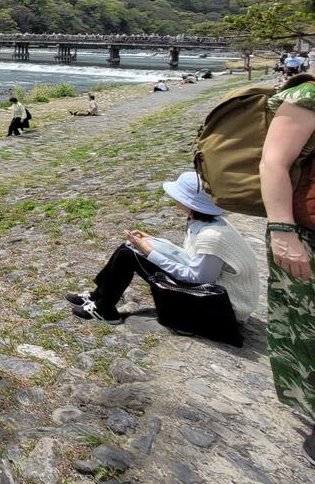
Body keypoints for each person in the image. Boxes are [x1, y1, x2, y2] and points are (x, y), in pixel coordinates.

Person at [66, 171, 258, 328]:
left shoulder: (212, 237)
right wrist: (152, 241)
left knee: (129, 255)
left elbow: (198, 277)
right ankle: (99, 295)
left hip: (222, 309)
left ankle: (104, 308)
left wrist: (150, 252)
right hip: (215, 298)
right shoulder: (207, 222)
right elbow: (189, 257)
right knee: (130, 246)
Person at [261, 77, 315, 464]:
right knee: (305, 328)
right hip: (304, 237)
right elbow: (273, 162)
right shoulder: (309, 96)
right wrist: (283, 231)